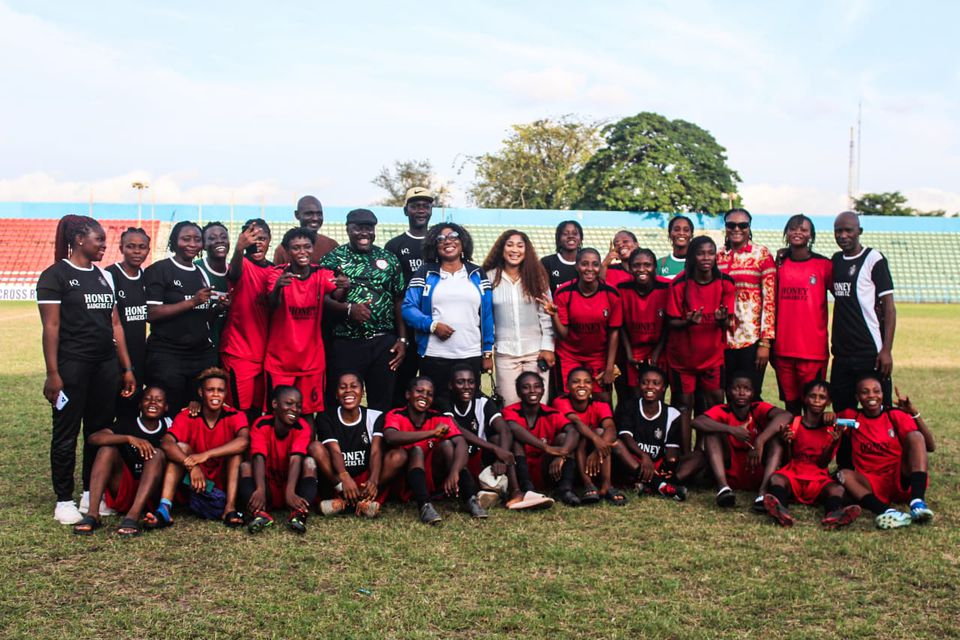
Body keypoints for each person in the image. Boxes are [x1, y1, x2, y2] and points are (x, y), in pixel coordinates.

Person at [37, 215, 137, 524]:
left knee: (99, 431)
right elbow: (50, 328)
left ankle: (90, 494)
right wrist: (53, 373)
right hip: (72, 366)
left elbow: (115, 324)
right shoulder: (55, 276)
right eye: (99, 240)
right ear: (80, 239)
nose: (104, 245)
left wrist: (127, 367)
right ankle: (64, 499)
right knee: (66, 432)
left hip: (105, 365)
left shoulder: (104, 277)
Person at [320, 209, 408, 412]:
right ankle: (341, 443)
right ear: (348, 229)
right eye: (358, 228)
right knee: (341, 401)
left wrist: (402, 340)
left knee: (382, 403)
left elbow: (399, 299)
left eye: (369, 228)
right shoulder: (333, 259)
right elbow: (322, 299)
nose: (364, 233)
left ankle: (378, 443)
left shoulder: (389, 259)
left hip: (383, 342)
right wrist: (348, 309)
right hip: (346, 343)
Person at [403, 223, 494, 406]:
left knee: (468, 407)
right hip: (435, 355)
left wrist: (486, 352)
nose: (448, 241)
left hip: (470, 354)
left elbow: (486, 315)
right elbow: (407, 308)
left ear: (463, 242)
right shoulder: (425, 272)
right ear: (434, 246)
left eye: (453, 236)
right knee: (437, 407)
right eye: (441, 239)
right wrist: (432, 325)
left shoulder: (477, 273)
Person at [144, 221, 226, 416]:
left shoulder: (201, 273)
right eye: (185, 239)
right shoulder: (160, 270)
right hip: (168, 355)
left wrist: (217, 308)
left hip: (199, 356)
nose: (192, 244)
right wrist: (192, 302)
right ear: (174, 242)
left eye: (197, 240)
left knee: (194, 413)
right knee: (169, 411)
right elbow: (151, 313)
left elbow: (202, 318)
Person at [382, 376, 488, 524]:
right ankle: (424, 505)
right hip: (406, 480)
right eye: (419, 391)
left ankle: (470, 498)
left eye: (429, 394)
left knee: (447, 446)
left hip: (432, 478)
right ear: (408, 394)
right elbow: (390, 436)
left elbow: (461, 443)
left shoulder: (439, 418)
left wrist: (454, 472)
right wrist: (431, 433)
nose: (424, 396)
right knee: (417, 450)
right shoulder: (396, 414)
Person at [265, 228, 345, 421]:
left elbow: (337, 297)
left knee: (307, 413)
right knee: (277, 415)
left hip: (311, 360)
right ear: (286, 251)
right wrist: (278, 289)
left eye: (307, 247)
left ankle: (305, 451)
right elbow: (270, 305)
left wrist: (344, 287)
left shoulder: (322, 273)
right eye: (296, 248)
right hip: (280, 362)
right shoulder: (276, 274)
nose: (302, 252)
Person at [666, 235, 736, 452]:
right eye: (701, 253)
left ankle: (710, 454)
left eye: (710, 253)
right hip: (683, 360)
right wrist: (687, 321)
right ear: (692, 256)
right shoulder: (679, 284)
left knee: (714, 406)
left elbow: (729, 320)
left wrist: (723, 319)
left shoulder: (726, 282)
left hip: (713, 357)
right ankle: (687, 455)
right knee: (684, 407)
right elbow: (670, 321)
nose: (706, 258)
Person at [836, 375, 935, 529]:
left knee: (915, 436)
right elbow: (824, 420)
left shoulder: (894, 415)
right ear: (857, 397)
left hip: (899, 476)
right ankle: (889, 512)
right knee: (843, 474)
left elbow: (930, 446)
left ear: (883, 394)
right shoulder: (850, 416)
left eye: (877, 391)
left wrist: (914, 413)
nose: (871, 396)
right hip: (872, 481)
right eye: (865, 392)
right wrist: (828, 418)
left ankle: (917, 503)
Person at [761, 380, 862, 529]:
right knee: (777, 478)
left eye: (822, 397)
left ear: (828, 402)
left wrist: (833, 443)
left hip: (817, 477)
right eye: (812, 396)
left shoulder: (831, 429)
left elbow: (823, 463)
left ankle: (834, 515)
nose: (816, 400)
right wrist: (787, 442)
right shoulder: (795, 423)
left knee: (837, 489)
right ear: (804, 398)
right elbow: (789, 459)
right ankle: (781, 510)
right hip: (794, 473)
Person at [72, 385, 171, 536]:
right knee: (107, 449)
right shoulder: (127, 423)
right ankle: (93, 514)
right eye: (148, 399)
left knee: (156, 453)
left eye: (159, 400)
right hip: (125, 489)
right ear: (139, 404)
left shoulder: (170, 424)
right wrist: (129, 438)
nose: (152, 403)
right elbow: (94, 438)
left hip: (152, 493)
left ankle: (133, 516)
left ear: (166, 407)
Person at [157, 367, 249, 527]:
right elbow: (166, 442)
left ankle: (230, 508)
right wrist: (192, 466)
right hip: (194, 482)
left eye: (220, 390)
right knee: (181, 447)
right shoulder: (188, 415)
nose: (215, 394)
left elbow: (243, 442)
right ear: (201, 392)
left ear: (226, 393)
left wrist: (206, 455)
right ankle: (164, 508)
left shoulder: (235, 415)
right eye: (210, 390)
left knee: (236, 454)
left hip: (222, 483)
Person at [442, 364, 541, 510]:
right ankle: (472, 494)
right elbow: (456, 429)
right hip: (457, 459)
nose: (466, 386)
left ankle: (515, 492)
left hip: (478, 455)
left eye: (471, 382)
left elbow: (505, 430)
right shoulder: (443, 402)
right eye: (460, 382)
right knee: (452, 444)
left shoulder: (483, 402)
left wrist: (500, 457)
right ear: (451, 385)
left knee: (503, 440)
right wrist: (495, 449)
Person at [311, 371, 408, 517]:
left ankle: (357, 499)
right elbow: (334, 451)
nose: (348, 390)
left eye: (354, 386)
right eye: (343, 387)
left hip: (365, 478)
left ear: (362, 392)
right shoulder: (326, 417)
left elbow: (376, 451)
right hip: (339, 479)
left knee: (399, 455)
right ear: (336, 394)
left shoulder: (375, 416)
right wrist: (344, 477)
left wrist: (374, 480)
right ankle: (348, 498)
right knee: (315, 448)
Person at [692, 373, 790, 511]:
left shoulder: (758, 408)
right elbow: (697, 422)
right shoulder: (723, 410)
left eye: (747, 389)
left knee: (776, 439)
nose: (742, 393)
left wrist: (760, 440)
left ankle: (763, 492)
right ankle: (723, 488)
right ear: (728, 391)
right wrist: (731, 430)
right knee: (711, 433)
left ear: (753, 393)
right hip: (730, 469)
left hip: (757, 469)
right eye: (736, 388)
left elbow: (786, 415)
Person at [830, 211, 897, 411]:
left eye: (848, 230)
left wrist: (886, 350)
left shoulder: (873, 259)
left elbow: (890, 309)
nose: (843, 235)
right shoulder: (836, 260)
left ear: (859, 231)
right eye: (838, 231)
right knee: (842, 410)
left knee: (880, 409)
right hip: (842, 352)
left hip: (870, 351)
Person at [482, 229, 555, 405]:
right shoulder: (489, 277)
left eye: (520, 246)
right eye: (510, 245)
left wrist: (548, 348)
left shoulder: (537, 277)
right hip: (505, 353)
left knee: (538, 405)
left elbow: (546, 316)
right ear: (502, 248)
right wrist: (486, 352)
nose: (515, 250)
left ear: (526, 250)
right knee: (509, 408)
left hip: (536, 353)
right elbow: (485, 317)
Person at [540, 248, 621, 401]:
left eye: (595, 264)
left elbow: (614, 332)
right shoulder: (564, 293)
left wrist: (610, 367)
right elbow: (563, 335)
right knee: (566, 401)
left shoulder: (611, 293)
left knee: (603, 401)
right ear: (576, 266)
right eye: (584, 264)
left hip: (598, 356)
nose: (590, 269)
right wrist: (554, 315)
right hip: (569, 355)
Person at [772, 215, 833, 414]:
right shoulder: (778, 265)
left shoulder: (824, 265)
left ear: (811, 235)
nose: (798, 232)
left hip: (812, 351)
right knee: (791, 406)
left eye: (804, 230)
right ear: (786, 233)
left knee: (813, 407)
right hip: (783, 350)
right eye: (793, 229)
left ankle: (812, 445)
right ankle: (792, 445)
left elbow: (843, 295)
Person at [238, 385, 319, 534]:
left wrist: (290, 491)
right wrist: (260, 489)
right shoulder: (261, 424)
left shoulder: (302, 427)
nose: (294, 409)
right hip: (268, 488)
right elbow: (258, 457)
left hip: (292, 490)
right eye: (289, 404)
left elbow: (296, 458)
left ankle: (298, 514)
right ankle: (259, 514)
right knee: (245, 466)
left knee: (310, 463)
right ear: (275, 404)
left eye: (298, 406)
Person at [717, 208, 776, 397]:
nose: (737, 229)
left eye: (742, 225)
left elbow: (770, 300)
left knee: (751, 395)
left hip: (751, 339)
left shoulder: (762, 255)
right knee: (726, 393)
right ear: (725, 227)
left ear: (749, 228)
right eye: (731, 225)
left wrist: (765, 343)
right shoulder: (717, 256)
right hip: (721, 339)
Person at [613, 364, 695, 500]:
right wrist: (644, 456)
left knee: (698, 457)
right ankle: (661, 486)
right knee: (617, 445)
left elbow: (671, 448)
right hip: (634, 461)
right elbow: (626, 437)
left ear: (663, 388)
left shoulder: (672, 414)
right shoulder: (629, 406)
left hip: (657, 464)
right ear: (639, 385)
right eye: (645, 382)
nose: (650, 387)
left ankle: (652, 483)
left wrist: (670, 464)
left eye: (655, 383)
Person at [220, 219, 274, 424]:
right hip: (239, 353)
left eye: (262, 238)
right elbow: (234, 273)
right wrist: (238, 250)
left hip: (266, 357)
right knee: (238, 414)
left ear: (270, 240)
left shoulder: (275, 271)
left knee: (258, 412)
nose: (257, 243)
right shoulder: (241, 263)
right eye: (252, 238)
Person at [385, 187, 435, 407]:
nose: (421, 210)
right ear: (406, 210)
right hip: (404, 328)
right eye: (415, 206)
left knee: (434, 384)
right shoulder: (395, 245)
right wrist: (400, 335)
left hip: (434, 327)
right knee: (400, 385)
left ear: (432, 210)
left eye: (425, 205)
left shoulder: (441, 243)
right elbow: (392, 292)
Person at [502, 372, 580, 505]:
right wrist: (547, 448)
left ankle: (565, 490)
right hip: (520, 467)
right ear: (518, 392)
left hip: (546, 468)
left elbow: (573, 431)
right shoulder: (509, 411)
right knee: (515, 441)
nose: (532, 390)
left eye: (537, 386)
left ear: (543, 390)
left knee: (564, 438)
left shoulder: (552, 413)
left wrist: (562, 454)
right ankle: (527, 490)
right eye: (526, 387)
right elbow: (513, 428)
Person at [553, 368, 626, 505]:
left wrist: (598, 447)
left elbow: (611, 428)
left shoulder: (600, 405)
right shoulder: (560, 401)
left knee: (601, 432)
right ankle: (588, 484)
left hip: (594, 461)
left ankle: (606, 485)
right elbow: (576, 422)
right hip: (569, 458)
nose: (582, 385)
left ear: (592, 386)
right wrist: (596, 440)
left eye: (587, 382)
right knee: (580, 435)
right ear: (567, 386)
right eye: (576, 382)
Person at [105, 226, 151, 419]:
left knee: (130, 410)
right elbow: (113, 323)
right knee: (108, 410)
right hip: (114, 358)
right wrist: (126, 367)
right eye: (131, 246)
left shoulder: (147, 278)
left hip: (138, 355)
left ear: (148, 249)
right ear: (121, 248)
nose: (137, 251)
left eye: (142, 247)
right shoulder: (110, 275)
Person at [618, 248, 670, 398]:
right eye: (636, 265)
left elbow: (668, 324)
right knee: (636, 395)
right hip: (634, 350)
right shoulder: (622, 288)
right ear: (629, 267)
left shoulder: (667, 287)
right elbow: (620, 325)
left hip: (659, 349)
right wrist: (628, 353)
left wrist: (657, 352)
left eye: (647, 265)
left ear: (655, 267)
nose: (642, 269)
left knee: (656, 392)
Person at [195, 221, 231, 351]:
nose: (219, 241)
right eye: (212, 238)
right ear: (203, 245)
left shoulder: (235, 271)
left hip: (229, 348)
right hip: (201, 348)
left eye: (223, 237)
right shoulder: (195, 269)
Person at [273, 195, 339, 264]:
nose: (315, 218)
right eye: (309, 214)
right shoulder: (283, 249)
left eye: (319, 214)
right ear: (297, 215)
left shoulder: (332, 245)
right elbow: (277, 273)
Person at [541, 220, 583, 294]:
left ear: (581, 238)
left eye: (575, 233)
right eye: (565, 234)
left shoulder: (587, 262)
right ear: (559, 238)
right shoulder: (547, 262)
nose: (570, 236)